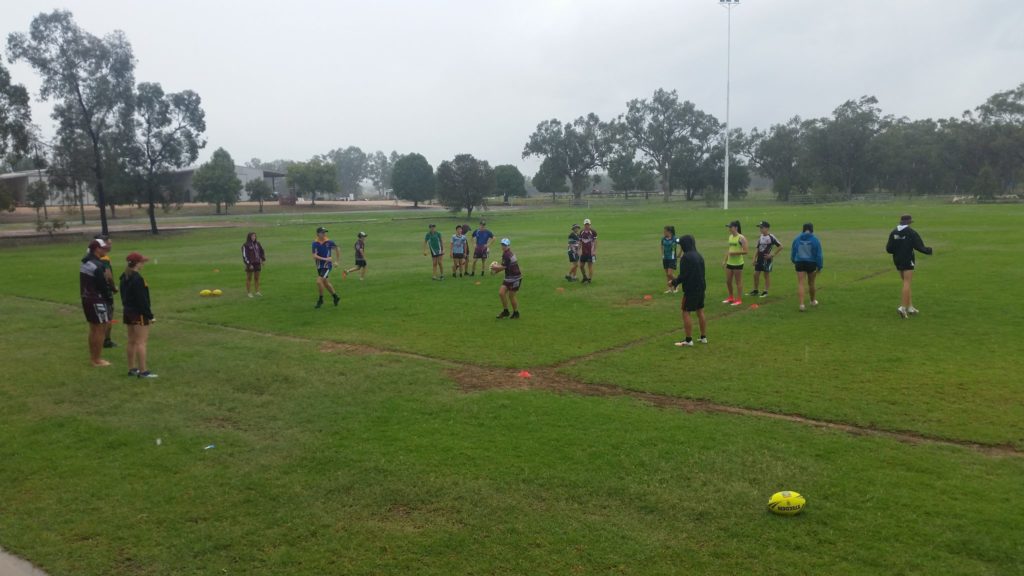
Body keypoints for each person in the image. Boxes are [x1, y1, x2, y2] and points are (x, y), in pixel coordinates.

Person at [886, 214, 933, 319]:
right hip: (908, 260)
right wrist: (929, 250)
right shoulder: (911, 232)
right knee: (907, 283)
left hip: (897, 260)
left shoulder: (894, 232)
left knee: (905, 283)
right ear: (909, 223)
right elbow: (919, 246)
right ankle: (903, 307)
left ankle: (910, 307)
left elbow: (889, 249)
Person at [119, 252, 157, 378]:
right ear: (137, 263)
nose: (143, 264)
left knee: (131, 341)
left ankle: (132, 368)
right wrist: (150, 315)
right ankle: (143, 371)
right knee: (141, 342)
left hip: (128, 311)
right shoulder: (138, 279)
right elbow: (142, 300)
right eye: (142, 262)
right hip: (138, 313)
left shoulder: (124, 276)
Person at [80, 238, 114, 366]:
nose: (105, 250)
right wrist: (109, 298)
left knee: (93, 329)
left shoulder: (86, 261)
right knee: (100, 330)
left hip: (87, 298)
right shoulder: (98, 265)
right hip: (97, 300)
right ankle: (97, 359)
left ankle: (93, 357)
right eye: (103, 248)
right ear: (96, 249)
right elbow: (103, 285)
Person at [670, 235, 707, 347]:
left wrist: (673, 282)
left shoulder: (686, 258)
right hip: (701, 288)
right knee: (700, 311)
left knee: (686, 311)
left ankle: (688, 340)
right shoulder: (699, 255)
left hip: (691, 290)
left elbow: (683, 275)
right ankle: (703, 337)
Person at [93, 234, 119, 349]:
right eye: (109, 243)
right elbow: (107, 275)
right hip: (104, 291)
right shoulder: (104, 258)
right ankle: (106, 341)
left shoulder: (92, 256)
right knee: (108, 316)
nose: (111, 246)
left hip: (93, 290)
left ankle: (97, 339)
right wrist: (113, 288)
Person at [791, 222, 824, 311]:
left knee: (801, 283)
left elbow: (793, 251)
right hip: (811, 264)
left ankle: (801, 305)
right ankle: (813, 301)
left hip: (799, 262)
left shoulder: (797, 238)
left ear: (803, 229)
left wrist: (794, 260)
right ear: (812, 230)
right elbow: (819, 255)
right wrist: (820, 266)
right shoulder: (815, 240)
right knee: (811, 283)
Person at [749, 221, 783, 298]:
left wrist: (772, 255)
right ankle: (755, 290)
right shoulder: (761, 236)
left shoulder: (771, 237)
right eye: (760, 228)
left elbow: (780, 246)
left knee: (766, 275)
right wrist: (754, 258)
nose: (760, 229)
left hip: (767, 260)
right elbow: (758, 248)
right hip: (759, 259)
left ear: (767, 228)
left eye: (762, 227)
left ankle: (765, 291)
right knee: (755, 274)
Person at [492, 237, 522, 319]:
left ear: (508, 246)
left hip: (515, 278)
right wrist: (496, 270)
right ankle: (506, 311)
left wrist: (494, 267)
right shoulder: (506, 253)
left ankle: (516, 313)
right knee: (501, 293)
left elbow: (502, 267)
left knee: (511, 296)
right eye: (502, 244)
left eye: (505, 245)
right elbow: (504, 267)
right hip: (509, 277)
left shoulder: (507, 254)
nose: (503, 246)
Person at [312, 226, 341, 308]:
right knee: (325, 283)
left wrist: (337, 261)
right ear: (318, 234)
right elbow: (314, 256)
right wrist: (326, 258)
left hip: (327, 266)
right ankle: (335, 297)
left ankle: (321, 300)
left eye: (325, 232)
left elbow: (337, 248)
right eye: (322, 232)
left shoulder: (329, 242)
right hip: (319, 266)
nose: (324, 234)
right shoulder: (315, 243)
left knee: (319, 281)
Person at [722, 220, 748, 306]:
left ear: (736, 227)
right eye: (728, 227)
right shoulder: (730, 237)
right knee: (728, 281)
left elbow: (746, 251)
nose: (729, 229)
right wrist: (725, 260)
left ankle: (739, 299)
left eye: (730, 227)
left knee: (738, 282)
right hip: (730, 262)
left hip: (738, 263)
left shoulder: (741, 238)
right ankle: (731, 297)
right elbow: (729, 250)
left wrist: (734, 253)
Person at [242, 231, 266, 297]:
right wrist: (249, 264)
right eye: (252, 236)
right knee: (249, 278)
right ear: (249, 237)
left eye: (255, 236)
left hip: (257, 263)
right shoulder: (245, 245)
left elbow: (261, 251)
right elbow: (245, 256)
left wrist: (263, 260)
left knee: (257, 278)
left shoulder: (258, 244)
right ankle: (249, 293)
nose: (254, 237)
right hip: (250, 264)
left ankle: (257, 292)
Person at [662, 225, 681, 294]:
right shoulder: (663, 239)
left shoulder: (675, 239)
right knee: (667, 274)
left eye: (665, 231)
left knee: (670, 273)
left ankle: (676, 284)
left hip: (672, 258)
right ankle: (669, 289)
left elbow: (682, 243)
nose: (663, 232)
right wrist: (662, 254)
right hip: (665, 258)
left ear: (669, 232)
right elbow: (661, 246)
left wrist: (679, 254)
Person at [579, 218, 598, 283]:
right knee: (581, 266)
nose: (587, 226)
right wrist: (579, 250)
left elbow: (595, 242)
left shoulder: (593, 232)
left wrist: (594, 251)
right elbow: (580, 242)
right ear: (584, 225)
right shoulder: (581, 232)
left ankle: (589, 279)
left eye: (588, 224)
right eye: (585, 224)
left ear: (590, 224)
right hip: (583, 252)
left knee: (589, 266)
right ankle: (584, 277)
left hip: (590, 252)